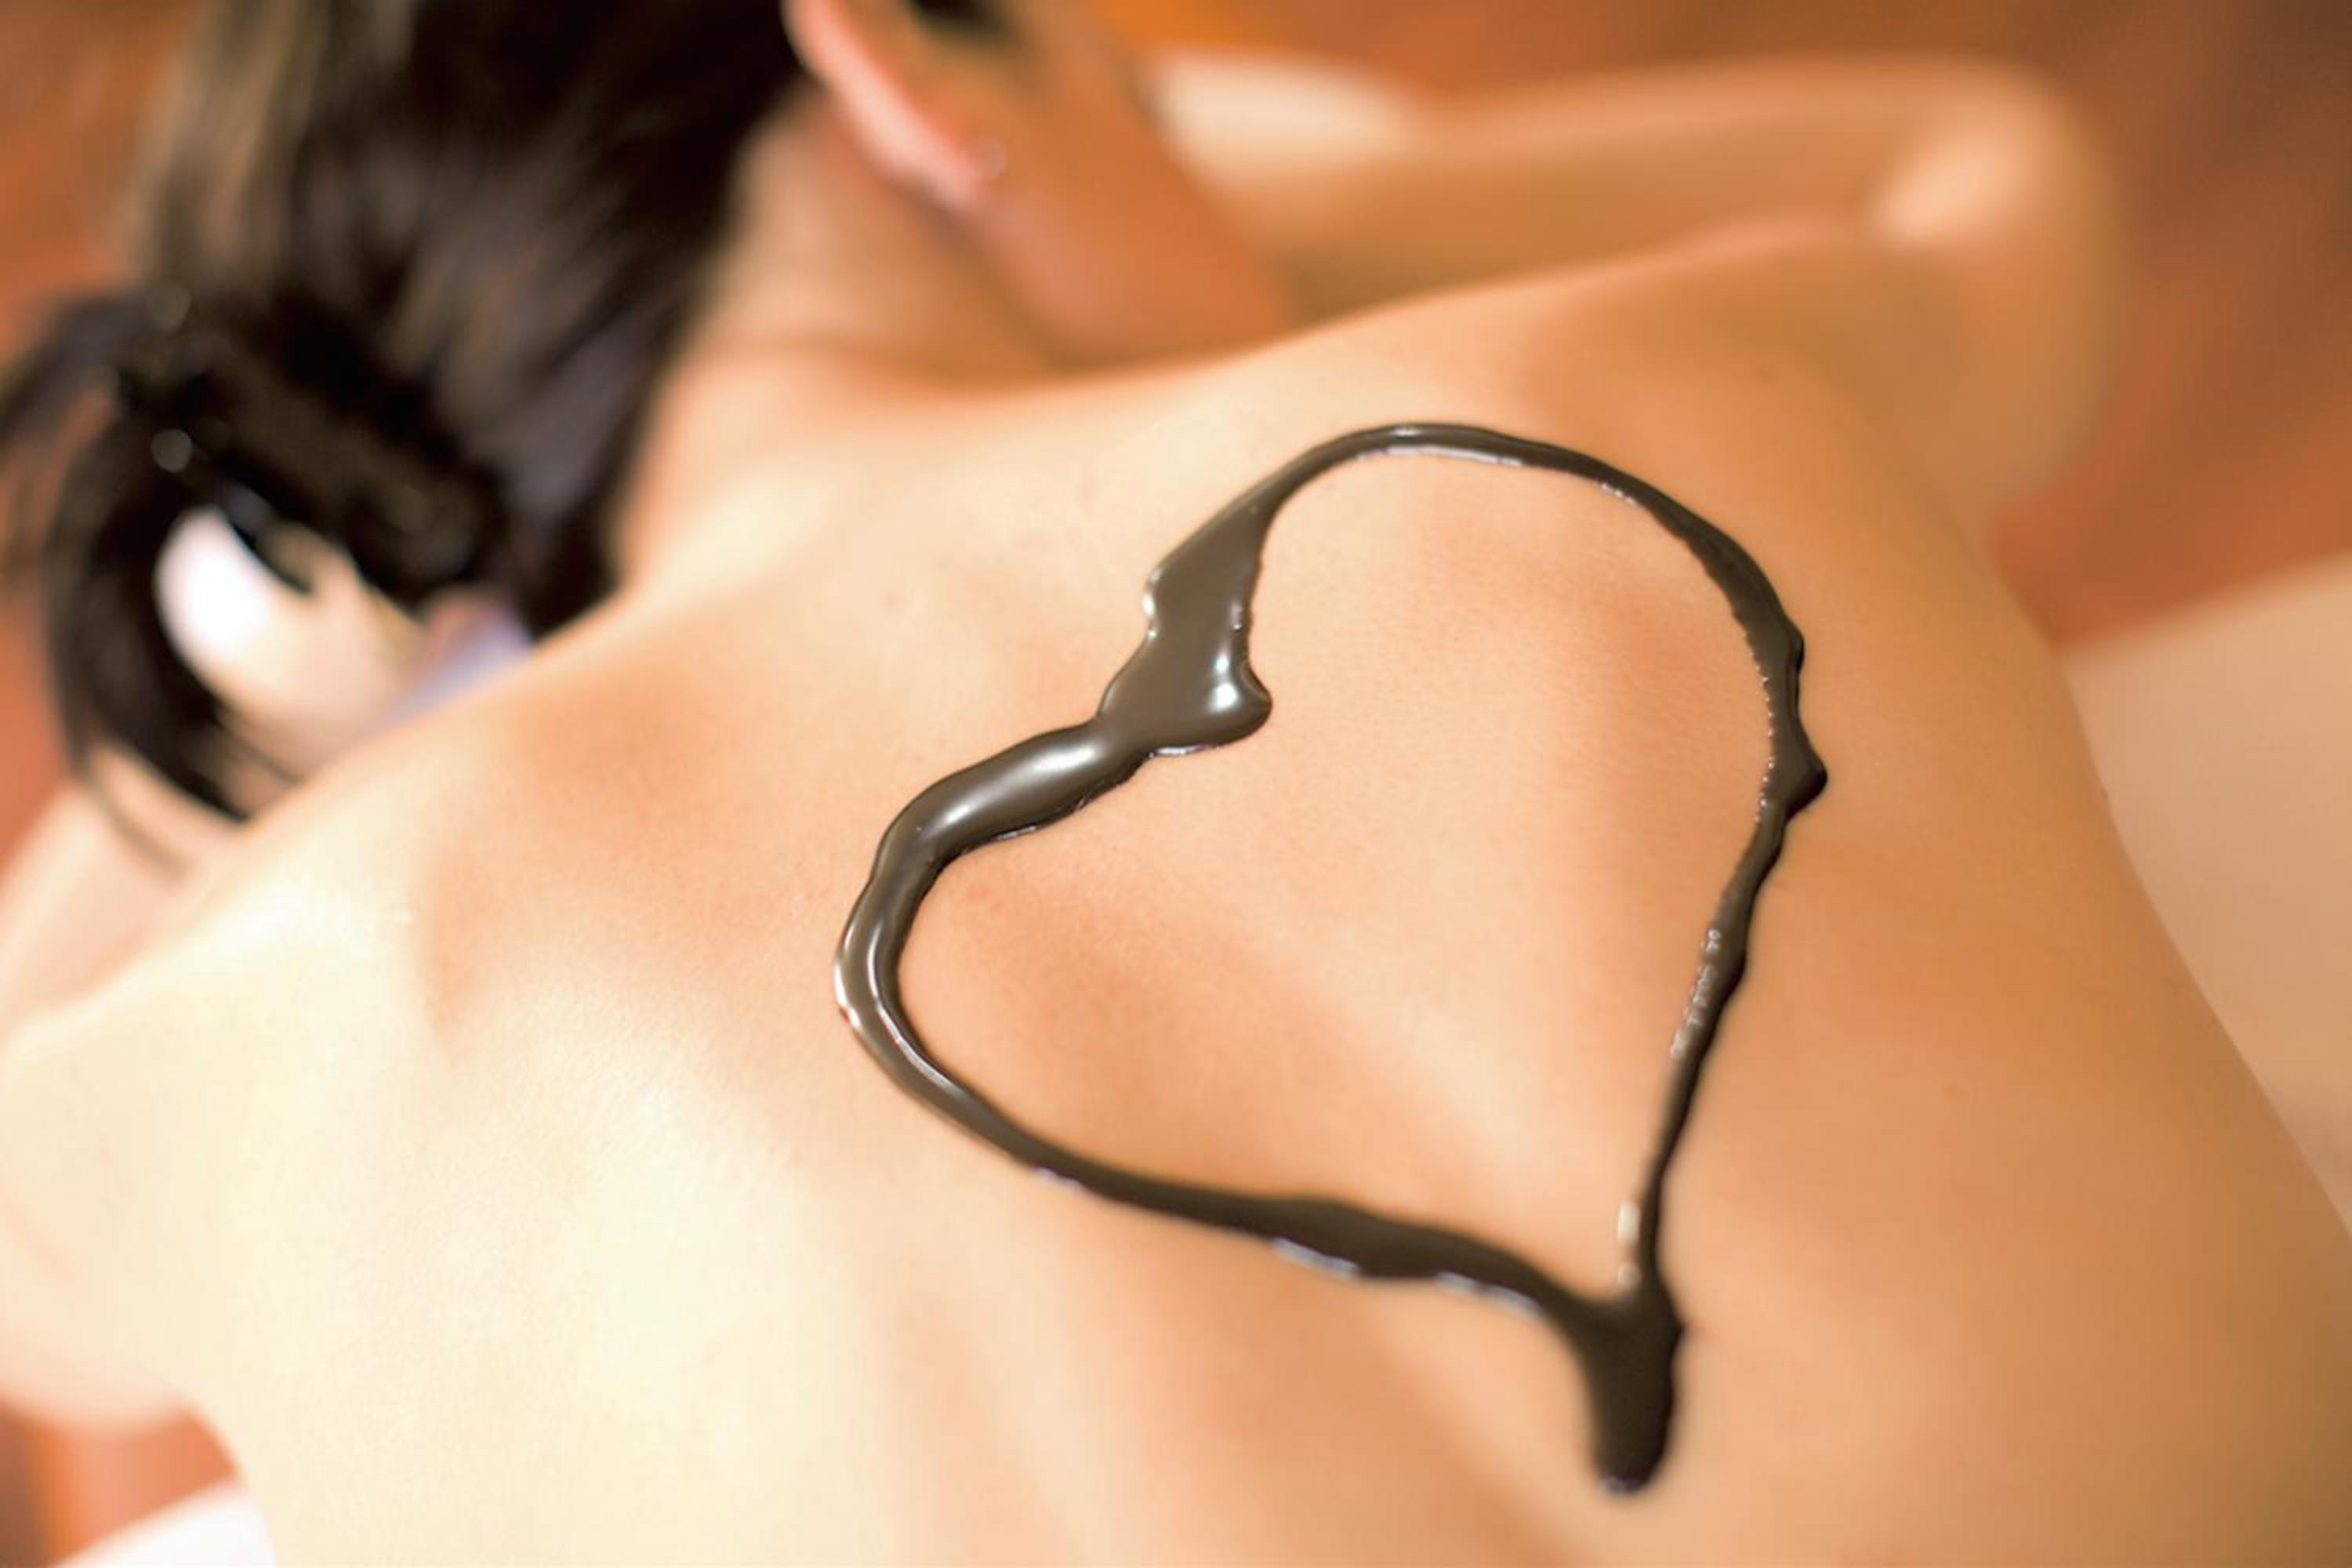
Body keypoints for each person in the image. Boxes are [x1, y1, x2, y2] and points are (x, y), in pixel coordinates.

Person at [0, 0, 2347, 1559]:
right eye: (1146, 83)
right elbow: (1981, 171)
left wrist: (318, 663)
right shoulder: (1643, 358)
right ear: (900, 70)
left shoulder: (270, 995)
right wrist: (1213, 219)